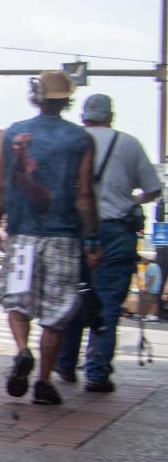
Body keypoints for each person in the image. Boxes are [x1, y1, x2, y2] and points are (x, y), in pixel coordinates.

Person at [0, 71, 100, 406]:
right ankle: (44, 382)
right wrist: (92, 238)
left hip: (22, 236)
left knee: (17, 302)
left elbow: (2, 187)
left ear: (37, 97)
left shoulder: (15, 133)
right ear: (67, 99)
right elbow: (84, 194)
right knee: (56, 314)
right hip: (63, 237)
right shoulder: (81, 139)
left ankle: (22, 350)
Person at [56, 94, 160, 391]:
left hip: (73, 230)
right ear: (110, 116)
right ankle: (97, 372)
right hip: (115, 232)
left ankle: (64, 364)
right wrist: (133, 199)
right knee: (109, 303)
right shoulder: (128, 143)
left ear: (83, 116)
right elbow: (153, 188)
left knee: (72, 299)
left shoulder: (71, 141)